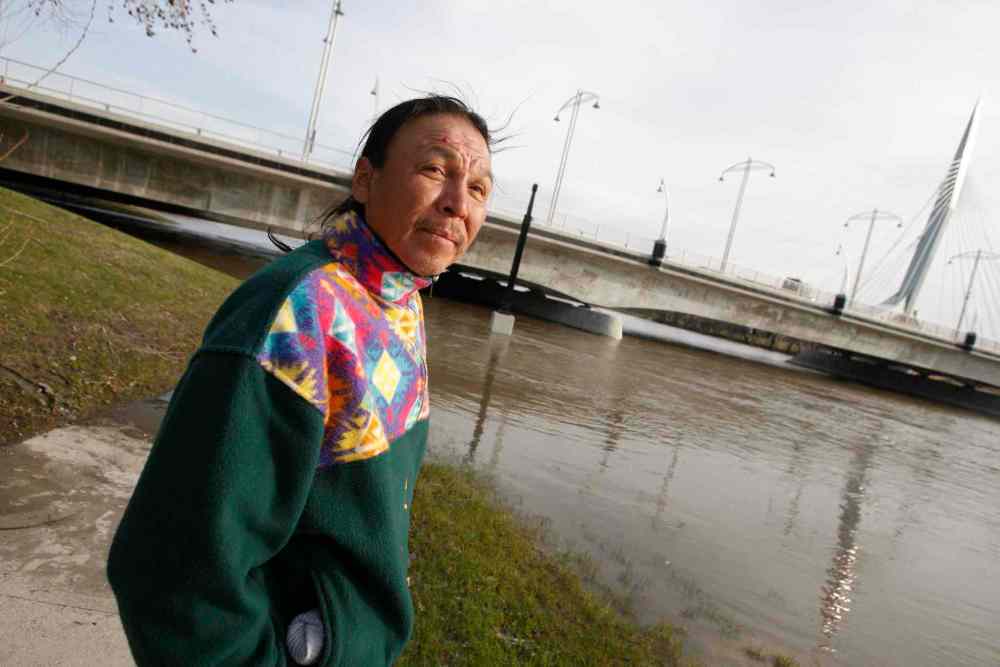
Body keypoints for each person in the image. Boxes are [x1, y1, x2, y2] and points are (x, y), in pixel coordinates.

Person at [107, 96, 494, 666]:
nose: (458, 203)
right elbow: (173, 575)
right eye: (435, 169)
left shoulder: (400, 298)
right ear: (365, 179)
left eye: (479, 188)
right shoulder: (293, 317)